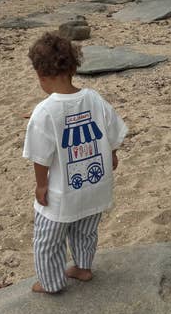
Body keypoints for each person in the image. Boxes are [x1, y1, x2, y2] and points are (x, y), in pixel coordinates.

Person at [23, 32, 127, 294]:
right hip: (94, 187)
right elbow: (111, 131)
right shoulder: (93, 98)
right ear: (73, 68)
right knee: (85, 230)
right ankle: (82, 267)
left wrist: (40, 185)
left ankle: (51, 283)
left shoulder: (45, 111)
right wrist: (112, 154)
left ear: (41, 76)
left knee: (47, 239)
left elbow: (39, 155)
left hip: (62, 193)